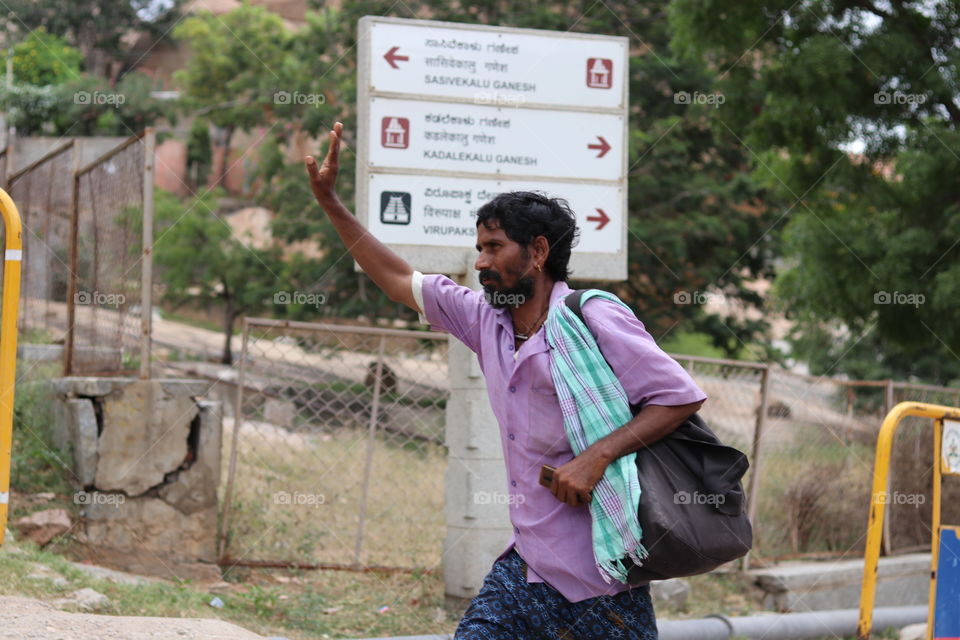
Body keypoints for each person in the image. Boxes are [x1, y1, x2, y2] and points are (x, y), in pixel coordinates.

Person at [305, 122, 706, 640]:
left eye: (494, 247)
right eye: (479, 248)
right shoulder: (483, 320)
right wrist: (330, 201)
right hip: (524, 571)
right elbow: (398, 279)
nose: (481, 262)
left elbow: (678, 397)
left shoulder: (592, 318)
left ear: (537, 252)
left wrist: (595, 457)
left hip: (603, 582)